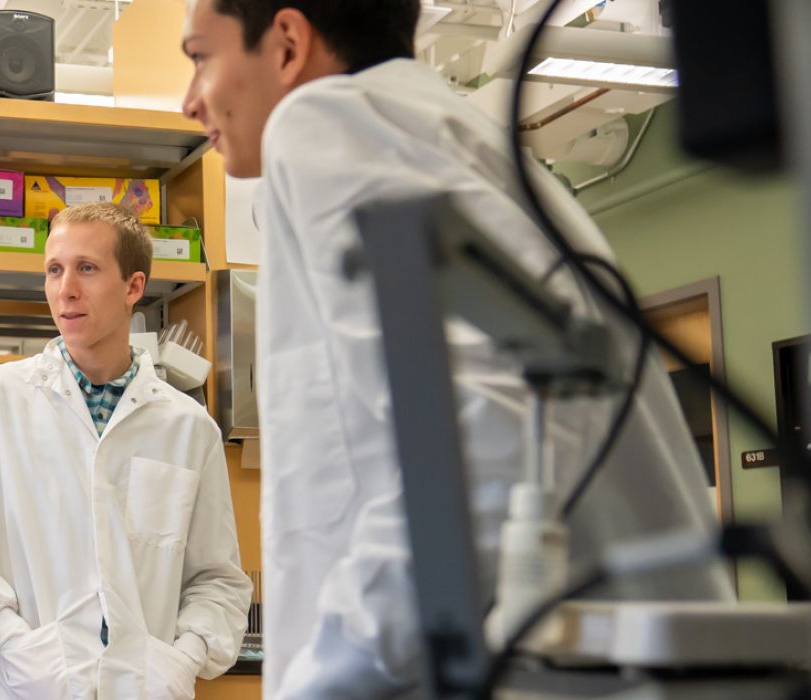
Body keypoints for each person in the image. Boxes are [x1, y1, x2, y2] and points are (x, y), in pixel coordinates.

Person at [178, 1, 730, 697]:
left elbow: (483, 444)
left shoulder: (326, 121)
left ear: (286, 43)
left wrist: (332, 676)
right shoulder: (452, 134)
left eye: (201, 57)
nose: (189, 99)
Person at [0, 202, 252, 699]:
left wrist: (184, 659)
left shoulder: (187, 427)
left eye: (87, 269)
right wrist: (15, 640)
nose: (65, 289)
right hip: (28, 685)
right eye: (54, 269)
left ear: (133, 287)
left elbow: (217, 580)